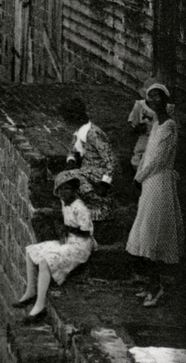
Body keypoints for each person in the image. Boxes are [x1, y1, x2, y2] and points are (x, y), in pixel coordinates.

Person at [126, 83, 184, 307]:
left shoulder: (169, 126)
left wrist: (140, 177)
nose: (154, 101)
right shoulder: (157, 124)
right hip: (149, 182)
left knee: (153, 233)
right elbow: (147, 156)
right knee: (144, 232)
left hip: (159, 182)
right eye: (151, 97)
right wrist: (139, 176)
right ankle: (151, 284)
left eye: (158, 96)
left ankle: (156, 286)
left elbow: (159, 159)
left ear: (166, 99)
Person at [13, 170, 95, 321]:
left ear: (74, 190)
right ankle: (31, 291)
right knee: (31, 251)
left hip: (80, 246)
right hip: (68, 241)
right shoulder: (65, 203)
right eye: (61, 189)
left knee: (46, 261)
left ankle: (40, 305)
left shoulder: (80, 208)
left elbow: (86, 232)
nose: (64, 192)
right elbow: (63, 217)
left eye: (68, 189)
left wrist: (67, 229)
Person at [62, 96, 117, 221]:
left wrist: (105, 183)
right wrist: (71, 160)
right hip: (87, 170)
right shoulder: (79, 132)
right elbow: (72, 149)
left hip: (98, 174)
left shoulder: (94, 133)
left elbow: (110, 160)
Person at [128, 89, 157, 170]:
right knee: (139, 154)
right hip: (145, 135)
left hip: (158, 136)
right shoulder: (140, 105)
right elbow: (134, 122)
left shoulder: (165, 108)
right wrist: (137, 127)